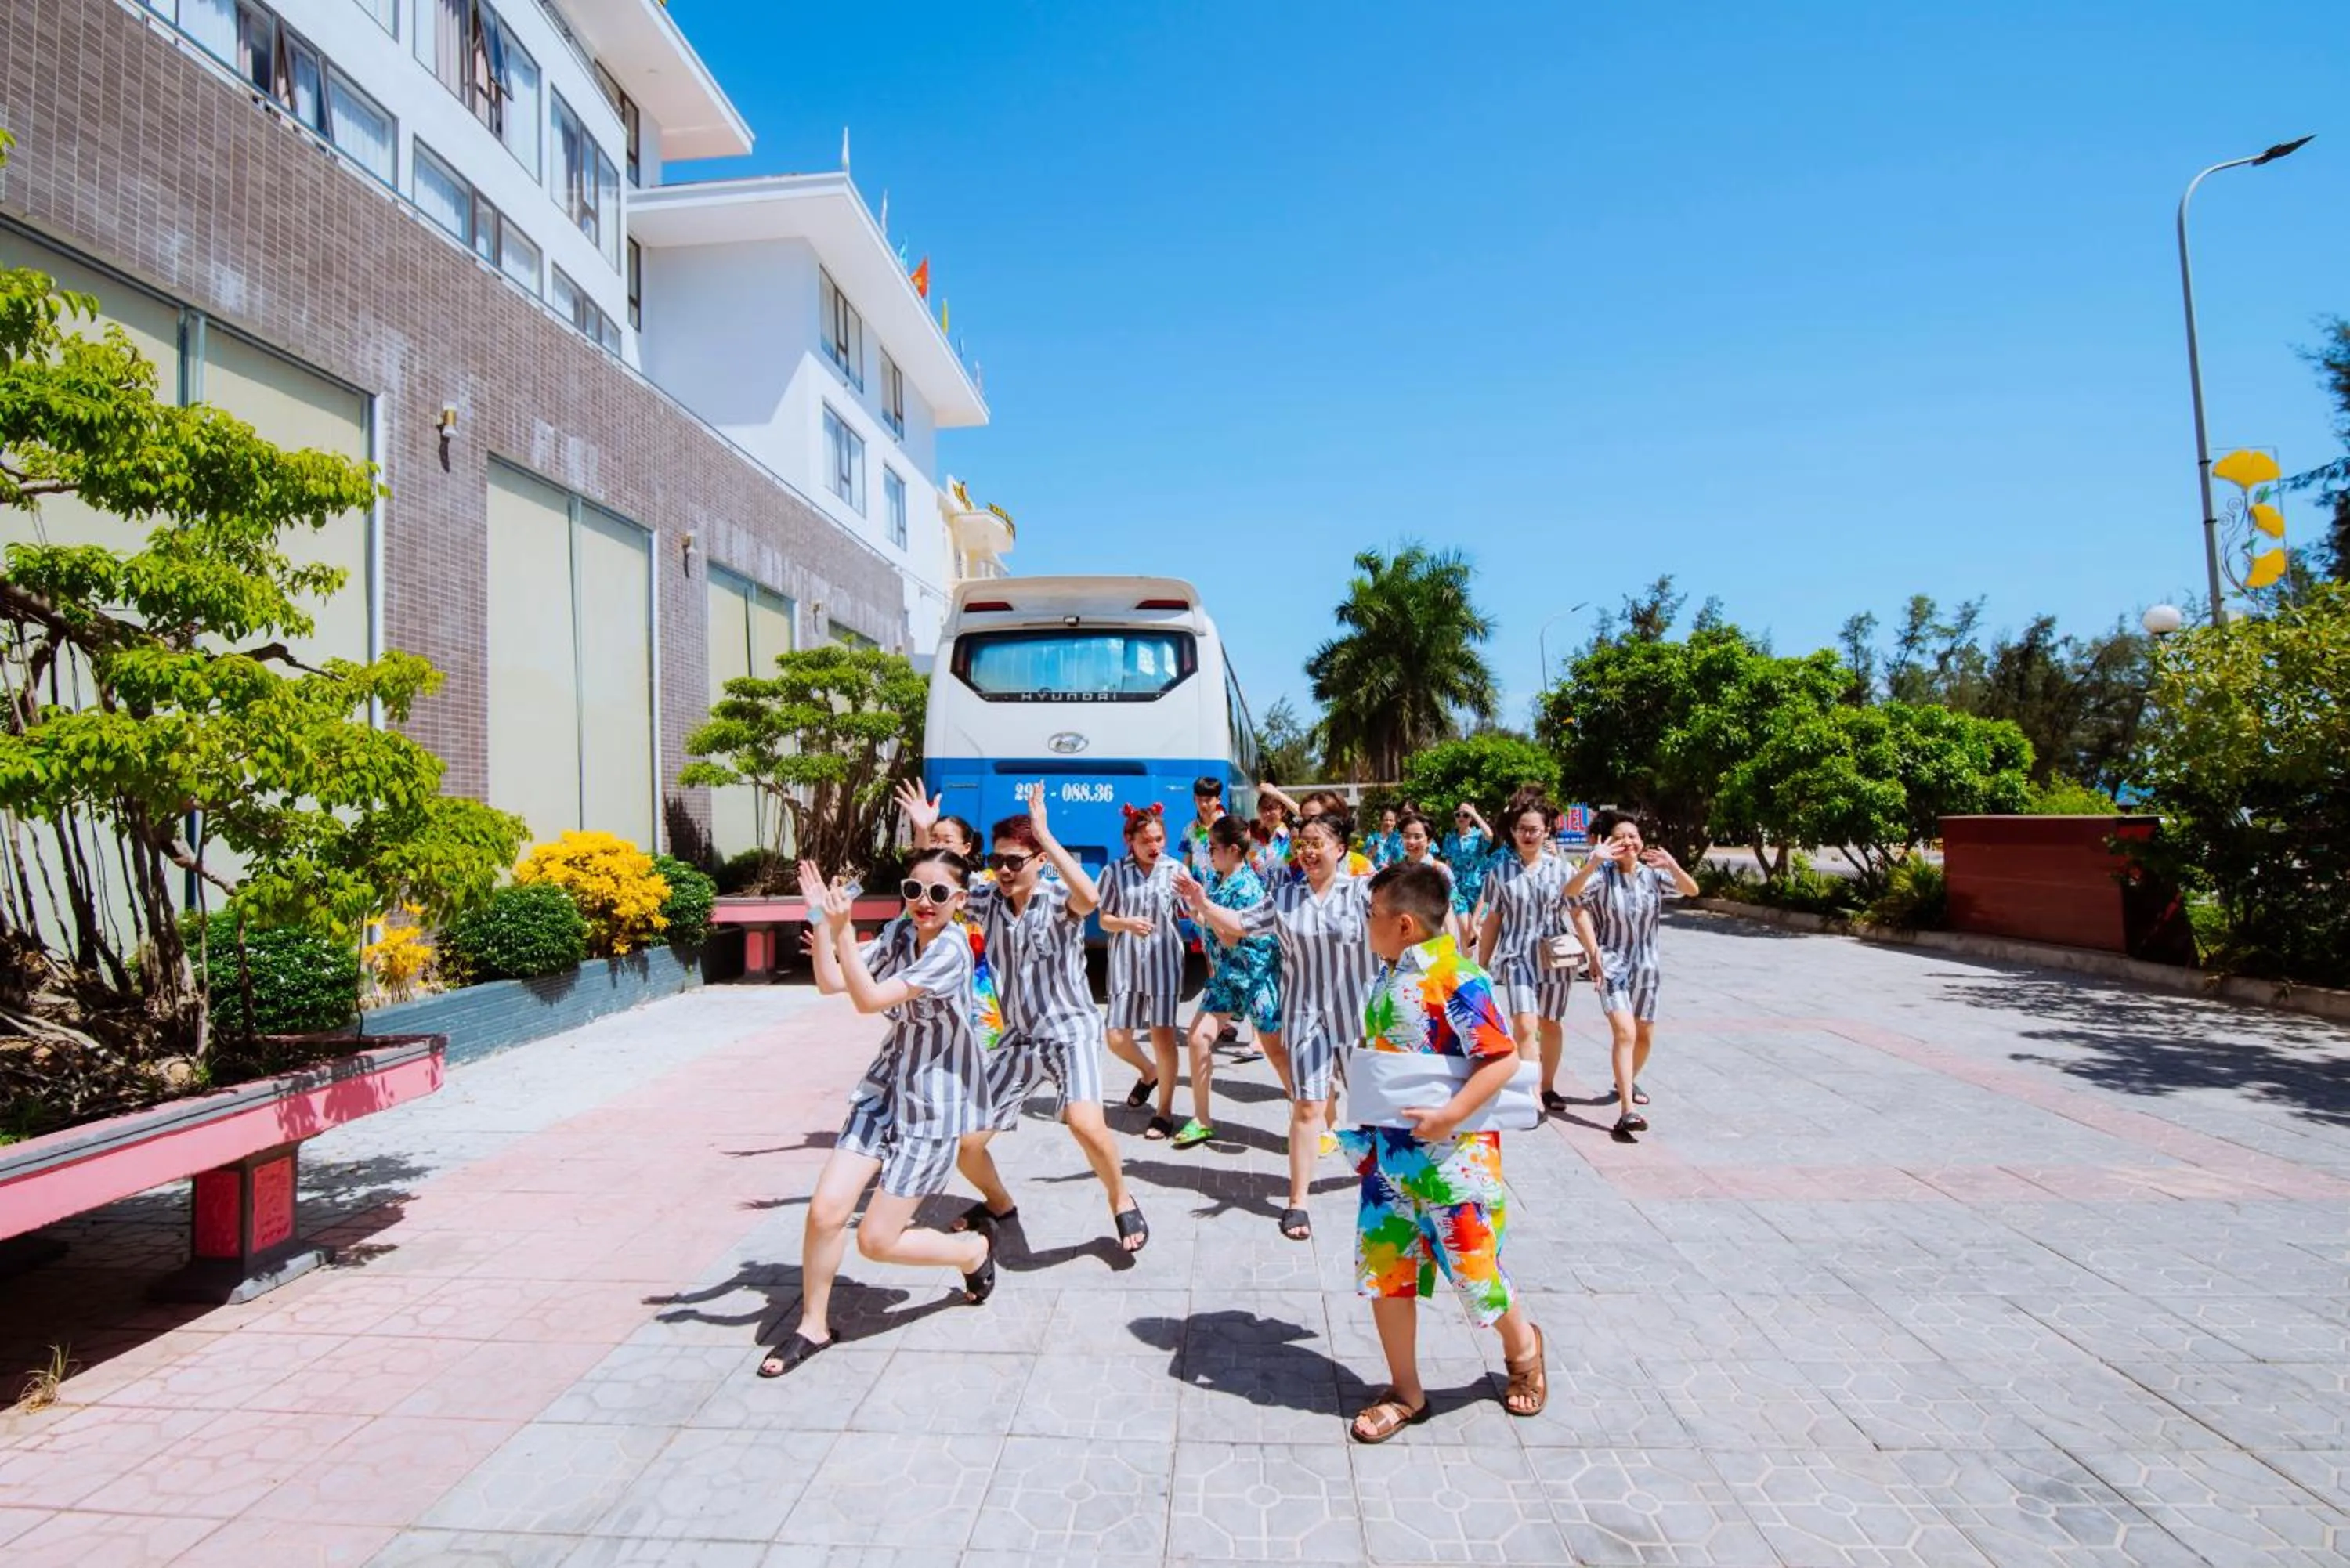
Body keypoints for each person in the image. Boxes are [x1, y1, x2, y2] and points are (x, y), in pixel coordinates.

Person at [762, 850, 996, 1378]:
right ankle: (813, 1325)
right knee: (825, 1213)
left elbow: (868, 1000)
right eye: (914, 891)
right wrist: (822, 919)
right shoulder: (899, 934)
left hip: (934, 1104)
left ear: (958, 901)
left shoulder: (953, 949)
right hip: (886, 1086)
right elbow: (831, 981)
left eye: (938, 895)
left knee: (876, 1241)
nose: (924, 904)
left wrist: (843, 928)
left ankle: (972, 1250)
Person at [1343, 859, 1547, 1441]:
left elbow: (1502, 1057)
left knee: (1476, 1275)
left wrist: (1451, 1116)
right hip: (1390, 1160)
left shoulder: (1458, 976)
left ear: (1404, 923)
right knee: (1387, 1275)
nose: (1367, 923)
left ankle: (1524, 1347)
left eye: (1373, 914)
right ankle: (1406, 1392)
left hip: (1453, 1164)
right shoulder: (1388, 971)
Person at [902, 784, 1149, 1253]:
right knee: (965, 1142)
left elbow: (1092, 898)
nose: (1005, 871)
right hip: (1018, 1038)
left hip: (1070, 1030)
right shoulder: (983, 900)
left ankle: (1120, 1198)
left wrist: (1045, 834)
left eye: (1016, 861)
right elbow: (932, 890)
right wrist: (921, 833)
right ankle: (999, 1204)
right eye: (998, 861)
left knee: (1085, 1124)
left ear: (1039, 861)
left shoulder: (1059, 900)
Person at [1180, 807, 1376, 1241]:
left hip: (1356, 1018)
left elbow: (1406, 922)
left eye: (1317, 844)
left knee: (1370, 1108)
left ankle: (1387, 1180)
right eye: (1302, 844)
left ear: (1340, 850)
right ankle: (1297, 1202)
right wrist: (1203, 904)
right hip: (1305, 1018)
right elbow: (1241, 925)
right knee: (1306, 1108)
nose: (1307, 852)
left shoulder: (1363, 894)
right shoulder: (1285, 896)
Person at [1564, 809, 1699, 1138]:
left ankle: (1625, 1079)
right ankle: (1627, 1110)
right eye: (1621, 837)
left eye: (1634, 836)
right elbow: (1571, 892)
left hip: (1647, 967)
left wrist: (1673, 865)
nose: (1629, 841)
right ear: (1609, 843)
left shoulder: (1653, 875)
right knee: (1625, 1033)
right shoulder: (1602, 875)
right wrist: (1593, 862)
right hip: (1612, 965)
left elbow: (1692, 891)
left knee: (1643, 1035)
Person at [1477, 796, 1592, 1117]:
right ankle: (1531, 1095)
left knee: (1551, 1023)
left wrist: (1594, 954)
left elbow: (1578, 913)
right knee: (1525, 1025)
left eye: (1535, 830)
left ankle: (1547, 1085)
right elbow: (1493, 920)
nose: (1529, 835)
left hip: (1554, 958)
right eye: (1522, 829)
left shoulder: (1563, 871)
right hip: (1516, 957)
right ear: (1513, 832)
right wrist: (1482, 965)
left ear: (1547, 831)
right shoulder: (1500, 873)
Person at [1173, 815, 1280, 1150]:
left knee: (1279, 1055)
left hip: (1254, 978)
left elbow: (1233, 937)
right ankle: (1202, 1120)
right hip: (1226, 978)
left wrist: (1204, 909)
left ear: (1233, 850)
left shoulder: (1245, 887)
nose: (1209, 853)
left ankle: (1314, 1117)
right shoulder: (1223, 880)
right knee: (1198, 1038)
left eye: (1213, 848)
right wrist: (1197, 910)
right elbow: (1215, 924)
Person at [1098, 803, 1184, 1139]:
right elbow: (1104, 919)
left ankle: (1164, 1112)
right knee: (1117, 1038)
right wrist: (1125, 923)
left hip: (1164, 963)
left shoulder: (1176, 871)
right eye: (1147, 840)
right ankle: (1149, 1072)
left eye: (1159, 838)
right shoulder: (1114, 872)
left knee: (1163, 1036)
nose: (1155, 846)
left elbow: (1192, 910)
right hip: (1125, 964)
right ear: (1129, 839)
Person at [1437, 802, 1497, 930]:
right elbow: (1448, 864)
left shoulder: (1479, 835)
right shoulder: (1450, 838)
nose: (1462, 817)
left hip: (1478, 889)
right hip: (1458, 890)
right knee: (1463, 929)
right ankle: (1464, 950)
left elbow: (1490, 835)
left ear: (1471, 818)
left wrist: (1475, 814)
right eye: (1458, 814)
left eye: (1466, 815)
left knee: (1480, 926)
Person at [1365, 807, 1405, 871]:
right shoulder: (1372, 839)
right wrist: (1371, 853)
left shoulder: (1399, 839)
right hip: (1376, 875)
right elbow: (1366, 861)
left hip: (1395, 874)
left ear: (1395, 822)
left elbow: (1402, 859)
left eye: (1391, 820)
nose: (1388, 823)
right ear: (1381, 821)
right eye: (1386, 820)